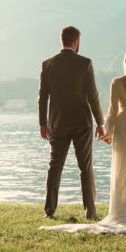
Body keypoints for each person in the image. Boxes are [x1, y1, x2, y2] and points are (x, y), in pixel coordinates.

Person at [41, 46, 126, 234]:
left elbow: (112, 112)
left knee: (125, 171)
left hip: (124, 128)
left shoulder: (116, 82)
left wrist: (108, 133)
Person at [38, 26, 105, 220]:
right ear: (76, 42)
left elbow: (43, 98)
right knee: (85, 168)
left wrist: (43, 123)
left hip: (57, 123)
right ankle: (90, 212)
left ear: (62, 40)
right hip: (82, 123)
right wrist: (100, 122)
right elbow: (93, 96)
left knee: (55, 166)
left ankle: (49, 211)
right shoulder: (85, 63)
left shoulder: (48, 64)